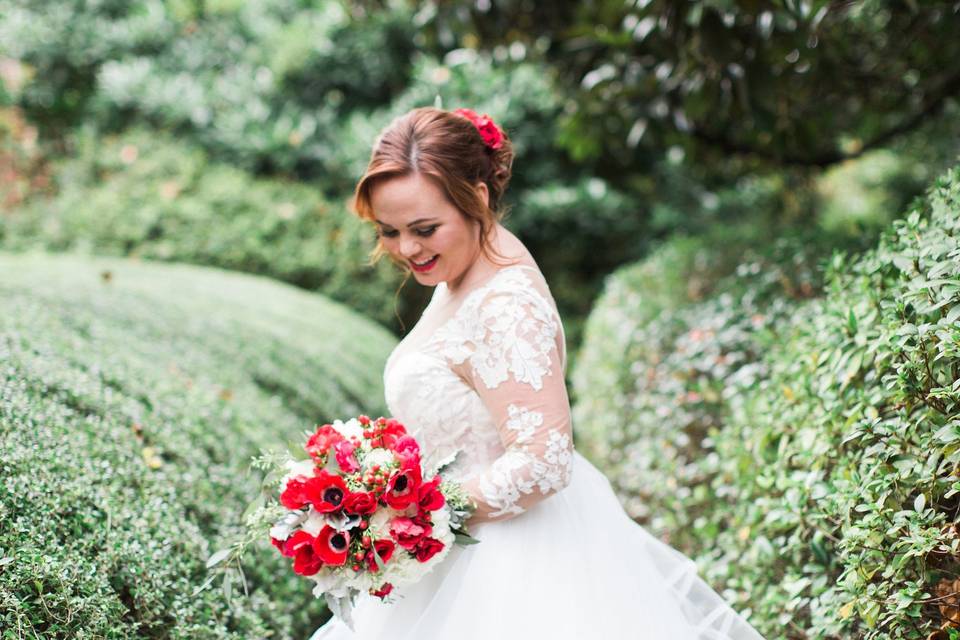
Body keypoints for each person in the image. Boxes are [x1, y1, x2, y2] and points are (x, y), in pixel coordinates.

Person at [309, 106, 765, 639]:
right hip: (452, 560)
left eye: (424, 228)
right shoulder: (463, 270)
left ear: (477, 197)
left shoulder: (505, 302)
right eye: (390, 231)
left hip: (513, 567)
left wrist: (414, 514)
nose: (407, 249)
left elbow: (544, 461)